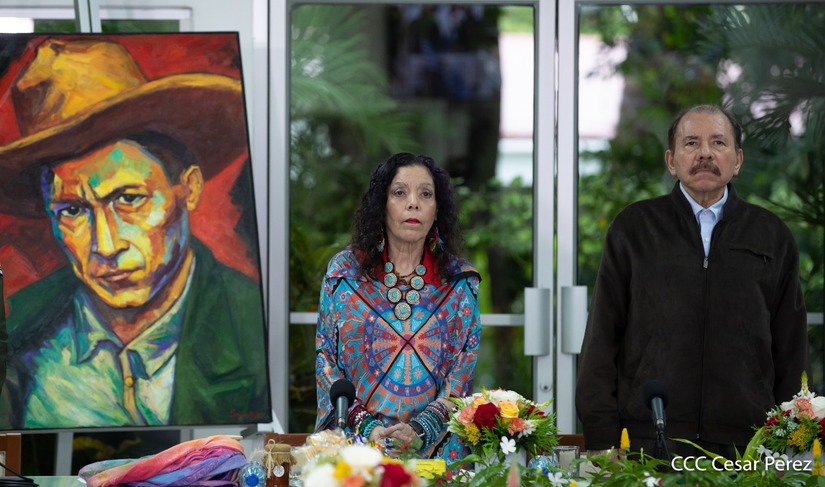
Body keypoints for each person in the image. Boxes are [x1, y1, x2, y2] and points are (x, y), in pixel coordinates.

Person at [0, 38, 269, 428]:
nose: (107, 246)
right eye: (73, 210)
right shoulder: (20, 329)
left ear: (189, 188)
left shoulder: (251, 323)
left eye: (129, 199)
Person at [576, 104, 810, 460]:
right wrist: (602, 436)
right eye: (691, 143)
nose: (705, 153)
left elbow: (792, 349)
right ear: (671, 161)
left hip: (748, 446)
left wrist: (792, 443)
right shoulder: (635, 229)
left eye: (718, 142)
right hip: (646, 441)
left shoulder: (771, 235)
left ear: (737, 160)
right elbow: (602, 338)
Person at [314, 153, 481, 466]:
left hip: (435, 460)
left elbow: (462, 373)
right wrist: (367, 426)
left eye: (426, 194)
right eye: (400, 193)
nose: (413, 203)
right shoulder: (344, 274)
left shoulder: (460, 282)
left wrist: (420, 429)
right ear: (382, 204)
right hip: (356, 454)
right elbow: (326, 359)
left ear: (437, 209)